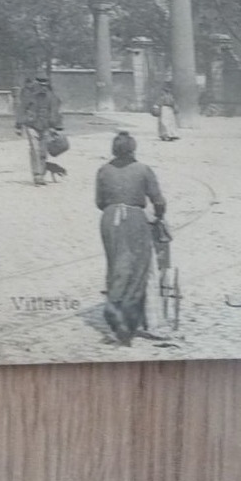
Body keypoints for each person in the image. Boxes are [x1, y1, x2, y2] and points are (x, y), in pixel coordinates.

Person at [95, 131, 167, 346]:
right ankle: (128, 325)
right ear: (133, 149)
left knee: (116, 267)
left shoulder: (103, 171)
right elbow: (159, 201)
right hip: (134, 220)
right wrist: (158, 217)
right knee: (137, 271)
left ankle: (114, 317)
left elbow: (99, 202)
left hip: (109, 220)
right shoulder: (143, 170)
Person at [14, 74, 64, 187]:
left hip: (46, 126)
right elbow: (22, 109)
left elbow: (56, 113)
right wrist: (18, 125)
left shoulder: (52, 97)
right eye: (40, 83)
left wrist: (57, 127)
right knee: (35, 149)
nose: (43, 86)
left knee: (43, 151)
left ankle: (41, 173)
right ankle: (37, 175)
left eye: (45, 83)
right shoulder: (29, 96)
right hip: (32, 125)